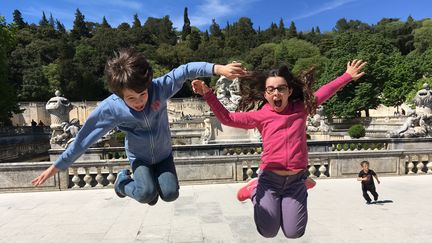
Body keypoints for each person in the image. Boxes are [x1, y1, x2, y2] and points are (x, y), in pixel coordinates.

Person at [32, 48, 246, 205]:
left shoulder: (159, 89)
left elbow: (185, 70)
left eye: (142, 94)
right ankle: (122, 182)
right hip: (140, 158)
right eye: (131, 98)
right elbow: (83, 139)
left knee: (170, 194)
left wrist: (218, 69)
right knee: (146, 194)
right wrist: (57, 166)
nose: (139, 101)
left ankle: (151, 189)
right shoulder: (111, 108)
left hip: (163, 155)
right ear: (119, 95)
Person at [192, 59, 367, 238]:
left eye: (281, 88)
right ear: (266, 94)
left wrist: (346, 76)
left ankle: (303, 185)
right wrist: (208, 94)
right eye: (271, 89)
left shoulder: (302, 108)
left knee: (294, 233)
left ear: (289, 91)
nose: (276, 93)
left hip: (296, 181)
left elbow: (325, 92)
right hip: (269, 181)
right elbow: (228, 118)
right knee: (268, 232)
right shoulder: (260, 116)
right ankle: (254, 189)